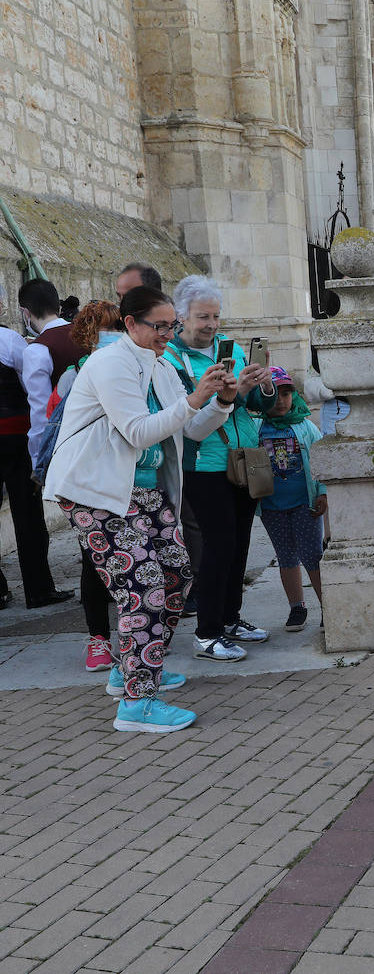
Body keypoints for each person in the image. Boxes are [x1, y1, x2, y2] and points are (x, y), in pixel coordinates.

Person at [42, 285, 236, 732]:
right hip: (97, 491)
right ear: (130, 324)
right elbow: (137, 432)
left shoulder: (160, 365)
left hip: (143, 491)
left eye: (173, 326)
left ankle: (131, 668)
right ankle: (136, 703)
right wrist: (193, 399)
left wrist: (222, 400)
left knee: (176, 577)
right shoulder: (111, 363)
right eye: (160, 326)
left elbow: (191, 431)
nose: (168, 334)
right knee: (144, 589)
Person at [166, 275, 275, 661]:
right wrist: (225, 398)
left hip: (244, 460)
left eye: (215, 316)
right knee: (218, 545)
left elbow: (255, 407)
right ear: (181, 317)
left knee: (239, 543)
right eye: (202, 317)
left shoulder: (228, 348)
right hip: (204, 465)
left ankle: (230, 619)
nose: (210, 324)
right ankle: (206, 632)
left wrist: (258, 386)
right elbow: (191, 428)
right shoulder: (171, 360)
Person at [57, 300, 125, 672]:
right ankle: (99, 639)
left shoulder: (133, 368)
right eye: (106, 327)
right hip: (88, 481)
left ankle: (129, 639)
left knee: (126, 562)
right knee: (93, 562)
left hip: (126, 477)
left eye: (117, 326)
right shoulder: (75, 374)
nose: (112, 334)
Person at [0, 282, 66, 612]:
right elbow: (31, 387)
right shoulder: (9, 339)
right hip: (13, 435)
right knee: (27, 514)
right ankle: (38, 589)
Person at [251, 368, 327, 631]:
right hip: (271, 506)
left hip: (305, 504)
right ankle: (297, 607)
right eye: (275, 394)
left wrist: (323, 493)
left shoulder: (305, 426)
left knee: (313, 555)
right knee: (285, 557)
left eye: (287, 393)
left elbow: (321, 461)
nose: (282, 400)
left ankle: (328, 606)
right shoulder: (257, 428)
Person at [20, 280, 81, 479]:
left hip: (64, 445)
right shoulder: (86, 335)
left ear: (26, 313)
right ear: (58, 306)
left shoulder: (37, 350)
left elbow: (41, 412)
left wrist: (39, 461)